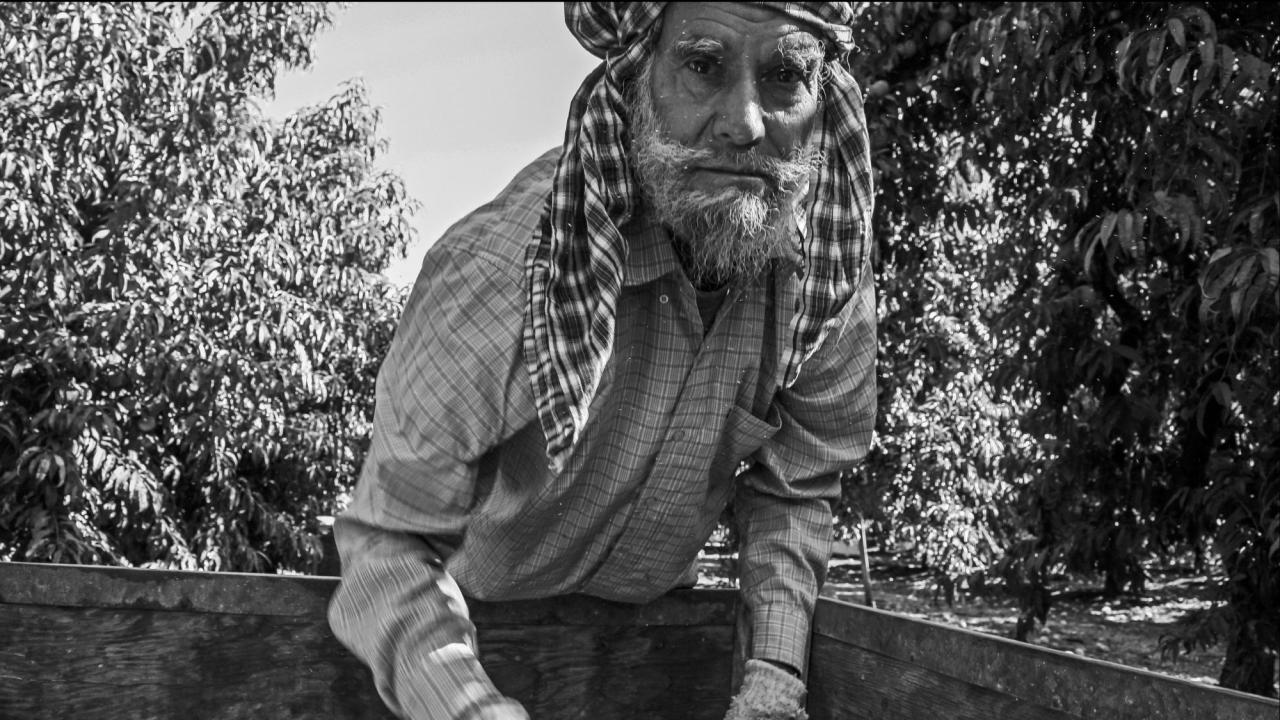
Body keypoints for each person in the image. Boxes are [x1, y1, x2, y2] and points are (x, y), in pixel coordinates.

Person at [328, 2, 876, 718]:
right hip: (470, 630)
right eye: (703, 66)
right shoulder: (508, 268)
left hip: (650, 641)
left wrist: (772, 676)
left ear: (822, 102)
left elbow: (797, 488)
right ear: (636, 79)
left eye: (784, 77)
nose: (745, 122)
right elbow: (388, 543)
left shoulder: (823, 286)